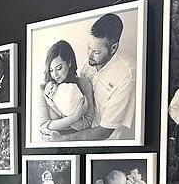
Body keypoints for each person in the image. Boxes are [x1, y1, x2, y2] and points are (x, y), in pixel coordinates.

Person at [43, 12, 135, 142]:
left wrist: (63, 139)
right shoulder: (89, 63)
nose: (89, 55)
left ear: (113, 48)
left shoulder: (127, 74)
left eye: (96, 52)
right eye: (89, 48)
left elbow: (105, 130)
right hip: (80, 133)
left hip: (106, 144)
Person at [39, 40, 92, 134]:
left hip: (78, 140)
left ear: (69, 63)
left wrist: (58, 111)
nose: (55, 75)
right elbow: (44, 126)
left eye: (59, 68)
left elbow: (88, 123)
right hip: (52, 144)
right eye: (51, 70)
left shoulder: (83, 83)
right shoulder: (46, 90)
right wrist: (75, 117)